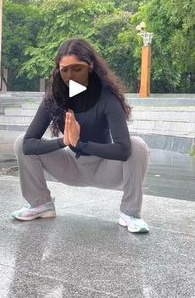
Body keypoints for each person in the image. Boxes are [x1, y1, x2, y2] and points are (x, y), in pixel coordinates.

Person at [12, 38, 150, 233]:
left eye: (77, 69)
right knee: (19, 143)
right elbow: (28, 144)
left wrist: (81, 144)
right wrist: (64, 142)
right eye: (64, 70)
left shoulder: (107, 98)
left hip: (105, 169)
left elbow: (123, 149)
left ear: (90, 67)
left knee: (138, 145)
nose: (70, 76)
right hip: (71, 167)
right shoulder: (54, 99)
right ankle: (41, 204)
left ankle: (130, 213)